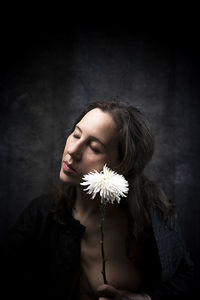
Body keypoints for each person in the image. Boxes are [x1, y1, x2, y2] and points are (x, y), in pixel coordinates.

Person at [0, 100, 194, 299]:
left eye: (94, 147)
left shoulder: (153, 218)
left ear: (123, 166)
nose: (72, 150)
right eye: (76, 134)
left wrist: (146, 298)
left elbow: (188, 277)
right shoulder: (41, 213)